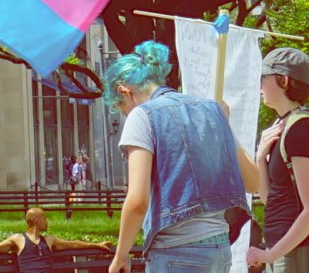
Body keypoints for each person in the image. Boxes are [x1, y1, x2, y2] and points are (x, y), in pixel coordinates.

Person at [103, 41, 260, 273]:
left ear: (124, 91)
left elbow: (137, 202)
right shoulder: (211, 111)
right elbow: (253, 181)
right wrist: (224, 125)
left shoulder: (141, 116)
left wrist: (120, 257)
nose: (126, 115)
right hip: (219, 250)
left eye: (122, 108)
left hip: (175, 251)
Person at [247, 47, 309, 271]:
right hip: (284, 251)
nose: (259, 86)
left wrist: (271, 253)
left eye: (264, 78)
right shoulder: (283, 128)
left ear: (283, 80)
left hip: (296, 253)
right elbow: (269, 199)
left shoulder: (300, 130)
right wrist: (261, 157)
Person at [0, 207, 112, 271]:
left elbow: (74, 244)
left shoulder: (49, 240)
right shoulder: (18, 239)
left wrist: (97, 244)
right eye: (44, 218)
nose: (47, 221)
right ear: (37, 220)